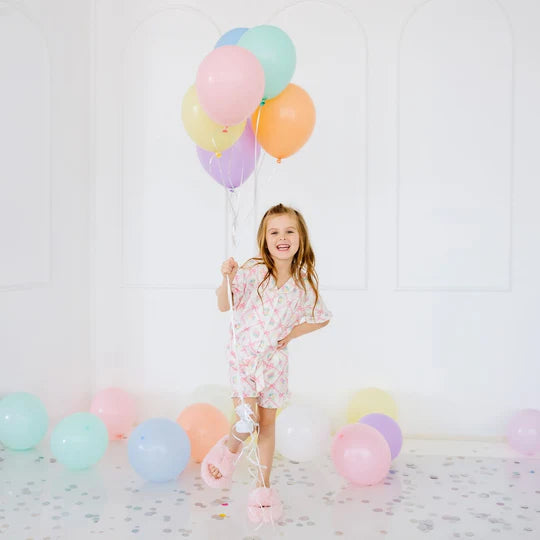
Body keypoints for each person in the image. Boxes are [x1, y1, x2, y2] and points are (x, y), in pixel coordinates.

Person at [201, 203, 332, 523]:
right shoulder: (252, 272)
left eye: (290, 231)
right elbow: (223, 305)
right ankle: (229, 450)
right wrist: (226, 278)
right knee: (248, 420)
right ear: (265, 238)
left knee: (267, 424)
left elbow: (322, 318)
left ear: (301, 238)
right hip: (244, 357)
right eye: (274, 232)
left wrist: (290, 334)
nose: (282, 237)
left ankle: (262, 487)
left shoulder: (304, 284)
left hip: (274, 364)